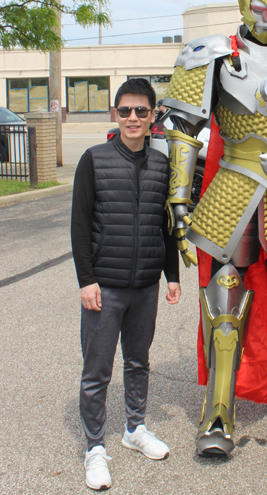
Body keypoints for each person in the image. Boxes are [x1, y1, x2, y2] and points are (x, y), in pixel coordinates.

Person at [71, 78, 181, 491]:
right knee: (97, 370)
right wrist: (87, 280)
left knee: (138, 362)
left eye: (141, 111)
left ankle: (135, 428)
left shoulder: (163, 165)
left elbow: (166, 225)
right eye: (125, 110)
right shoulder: (94, 159)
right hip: (106, 287)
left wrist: (172, 275)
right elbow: (80, 226)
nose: (133, 118)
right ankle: (95, 448)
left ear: (153, 117)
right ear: (114, 114)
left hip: (145, 286)